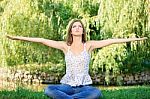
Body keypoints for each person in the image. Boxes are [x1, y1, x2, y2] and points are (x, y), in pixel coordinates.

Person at [7, 19, 147, 99]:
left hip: (84, 87)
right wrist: (17, 37)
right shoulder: (64, 46)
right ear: (71, 31)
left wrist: (136, 38)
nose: (77, 28)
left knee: (97, 93)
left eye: (80, 26)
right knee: (48, 90)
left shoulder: (89, 45)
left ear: (83, 31)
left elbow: (112, 40)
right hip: (66, 87)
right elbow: (42, 40)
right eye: (74, 26)